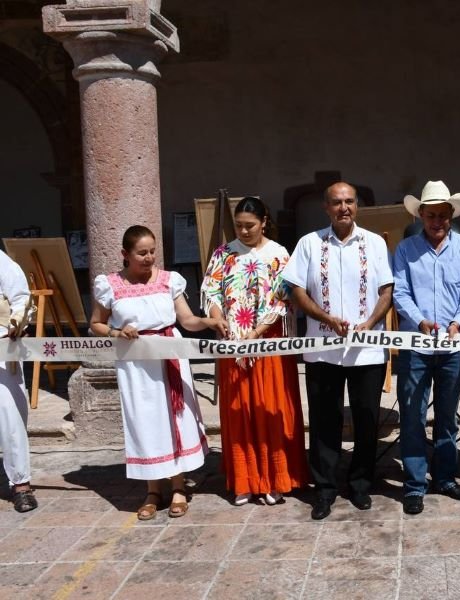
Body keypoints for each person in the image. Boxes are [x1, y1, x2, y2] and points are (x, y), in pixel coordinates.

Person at [91, 226, 227, 519]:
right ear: (125, 254)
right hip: (136, 362)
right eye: (142, 253)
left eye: (152, 251)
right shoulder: (110, 284)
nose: (149, 257)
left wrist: (208, 322)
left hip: (169, 356)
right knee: (146, 420)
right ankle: (153, 488)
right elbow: (96, 324)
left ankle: (178, 486)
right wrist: (116, 330)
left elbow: (186, 320)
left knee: (174, 418)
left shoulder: (169, 281)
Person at [282, 182, 394, 520]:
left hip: (366, 350)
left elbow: (386, 291)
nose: (343, 208)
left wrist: (372, 321)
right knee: (324, 420)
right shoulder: (309, 244)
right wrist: (325, 318)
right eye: (336, 203)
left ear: (356, 205)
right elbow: (297, 290)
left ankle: (360, 484)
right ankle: (325, 489)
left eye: (349, 202)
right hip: (322, 348)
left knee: (366, 418)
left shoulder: (374, 243)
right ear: (326, 208)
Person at [201, 197, 309, 507]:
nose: (245, 231)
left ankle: (275, 479)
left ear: (264, 222)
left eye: (250, 225)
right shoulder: (224, 254)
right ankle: (245, 479)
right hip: (234, 341)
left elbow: (283, 297)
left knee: (269, 406)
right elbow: (211, 289)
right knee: (239, 410)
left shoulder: (278, 254)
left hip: (268, 341)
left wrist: (258, 331)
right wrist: (217, 315)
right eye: (239, 226)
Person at [392, 180, 460, 515]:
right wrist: (420, 322)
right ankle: (414, 485)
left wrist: (457, 322)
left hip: (453, 347)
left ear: (451, 215)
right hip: (415, 345)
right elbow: (400, 292)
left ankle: (445, 478)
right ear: (420, 215)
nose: (437, 221)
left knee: (447, 416)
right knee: (413, 416)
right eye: (431, 215)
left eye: (443, 215)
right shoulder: (405, 251)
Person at [0, 249, 37, 512]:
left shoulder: (1, 262)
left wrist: (16, 323)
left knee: (10, 414)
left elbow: (21, 298)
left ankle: (20, 485)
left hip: (1, 344)